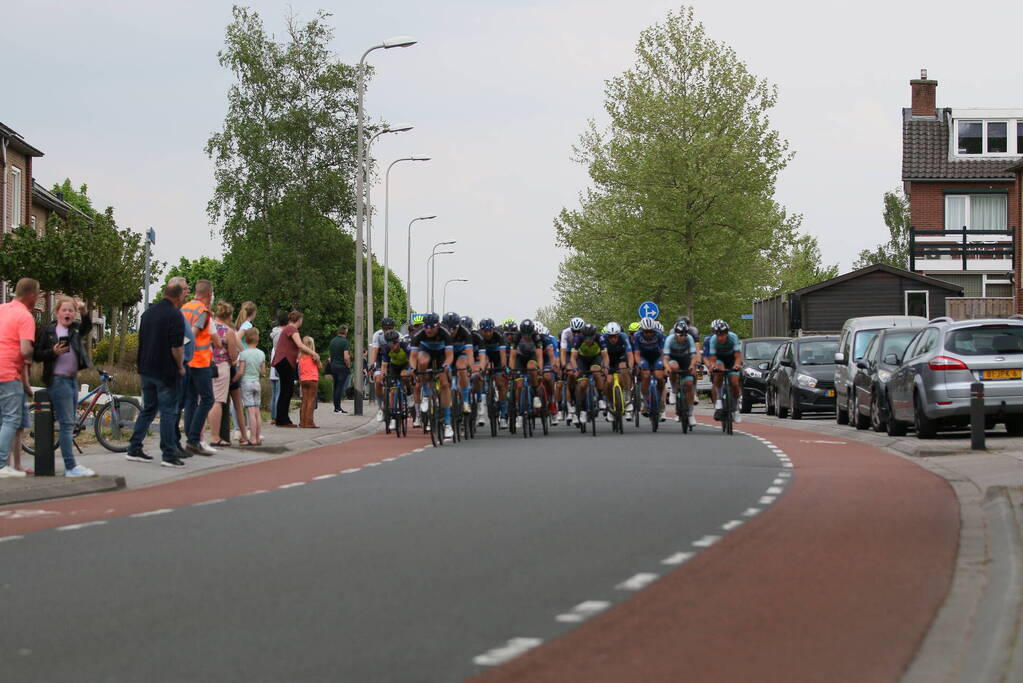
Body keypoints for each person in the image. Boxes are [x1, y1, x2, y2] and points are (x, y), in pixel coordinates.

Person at [32, 296, 96, 476]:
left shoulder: (74, 330)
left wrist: (84, 311)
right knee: (67, 424)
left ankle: (71, 466)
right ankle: (70, 466)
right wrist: (52, 352)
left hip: (71, 380)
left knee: (69, 423)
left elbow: (87, 327)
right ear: (57, 312)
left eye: (71, 310)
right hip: (58, 380)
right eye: (64, 310)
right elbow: (37, 355)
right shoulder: (49, 331)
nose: (68, 313)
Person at [128, 282, 186, 467]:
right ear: (178, 297)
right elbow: (176, 347)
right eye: (184, 295)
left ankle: (134, 447)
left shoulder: (148, 314)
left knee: (149, 409)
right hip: (165, 370)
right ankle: (168, 454)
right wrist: (181, 366)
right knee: (168, 412)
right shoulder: (174, 315)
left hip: (146, 368)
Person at [0, 278, 39, 478]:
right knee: (11, 419)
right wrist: (34, 354)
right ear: (32, 295)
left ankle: (10, 466)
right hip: (7, 373)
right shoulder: (25, 316)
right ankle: (0, 465)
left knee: (4, 420)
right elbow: (24, 350)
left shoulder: (2, 309)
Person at [181, 279, 220, 456]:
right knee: (207, 400)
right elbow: (195, 335)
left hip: (185, 360)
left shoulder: (184, 308)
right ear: (209, 295)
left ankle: (190, 436)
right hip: (200, 362)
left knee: (190, 400)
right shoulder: (204, 313)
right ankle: (193, 440)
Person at [409, 312, 454, 439]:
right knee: (421, 361)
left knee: (445, 384)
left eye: (432, 326)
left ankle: (447, 423)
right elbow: (413, 357)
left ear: (438, 325)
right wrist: (413, 368)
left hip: (441, 354)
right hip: (426, 351)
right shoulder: (418, 333)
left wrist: (446, 365)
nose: (428, 329)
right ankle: (426, 394)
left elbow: (450, 355)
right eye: (426, 326)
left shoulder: (445, 333)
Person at [271, 311, 319, 427]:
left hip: (281, 361)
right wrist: (314, 353)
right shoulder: (292, 329)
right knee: (287, 391)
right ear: (299, 320)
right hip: (285, 361)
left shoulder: (287, 329)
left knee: (285, 390)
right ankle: (283, 420)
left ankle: (280, 418)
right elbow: (300, 345)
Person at [168, 276, 195, 459]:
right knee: (174, 407)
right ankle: (173, 443)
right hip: (178, 366)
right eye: (185, 289)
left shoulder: (180, 311)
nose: (187, 292)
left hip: (185, 363)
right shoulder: (172, 312)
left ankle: (175, 441)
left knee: (179, 406)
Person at [206, 301, 239, 448]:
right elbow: (232, 355)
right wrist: (235, 361)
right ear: (229, 315)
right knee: (218, 401)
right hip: (222, 366)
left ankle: (201, 435)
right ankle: (216, 436)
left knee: (206, 400)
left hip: (207, 365)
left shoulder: (209, 326)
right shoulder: (228, 331)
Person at [707, 319, 744, 424]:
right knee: (718, 372)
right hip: (720, 359)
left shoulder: (733, 338)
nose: (720, 338)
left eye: (722, 335)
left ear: (727, 334)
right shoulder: (713, 340)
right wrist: (713, 366)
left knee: (735, 383)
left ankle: (736, 409)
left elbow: (737, 356)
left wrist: (737, 365)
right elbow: (713, 358)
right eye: (718, 335)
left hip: (732, 359)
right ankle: (719, 400)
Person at [237, 328, 266, 445]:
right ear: (257, 339)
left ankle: (253, 438)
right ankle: (258, 438)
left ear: (246, 339)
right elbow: (263, 371)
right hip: (256, 383)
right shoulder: (261, 353)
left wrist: (234, 378)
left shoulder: (243, 354)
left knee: (250, 411)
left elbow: (240, 371)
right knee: (257, 411)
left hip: (246, 383)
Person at [369, 317, 397, 422]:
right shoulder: (378, 335)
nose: (388, 330)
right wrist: (372, 365)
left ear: (393, 328)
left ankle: (396, 404)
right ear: (382, 328)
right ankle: (380, 407)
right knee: (378, 381)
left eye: (390, 328)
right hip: (382, 359)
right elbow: (375, 350)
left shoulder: (398, 335)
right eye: (385, 328)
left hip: (394, 360)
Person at [298, 335, 322, 428]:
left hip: (303, 380)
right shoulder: (313, 356)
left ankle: (302, 421)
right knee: (311, 401)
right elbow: (320, 366)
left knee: (304, 401)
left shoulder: (300, 356)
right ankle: (309, 422)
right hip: (312, 380)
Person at [269, 312, 288, 423]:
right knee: (279, 393)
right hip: (280, 366)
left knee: (274, 393)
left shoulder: (274, 336)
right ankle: (277, 416)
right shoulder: (283, 335)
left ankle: (273, 416)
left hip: (273, 368)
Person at [329, 324, 351, 413]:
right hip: (342, 367)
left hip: (333, 366)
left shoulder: (333, 341)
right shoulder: (344, 342)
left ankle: (336, 407)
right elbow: (346, 357)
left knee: (335, 386)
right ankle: (338, 407)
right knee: (340, 387)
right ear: (345, 332)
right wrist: (348, 365)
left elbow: (330, 356)